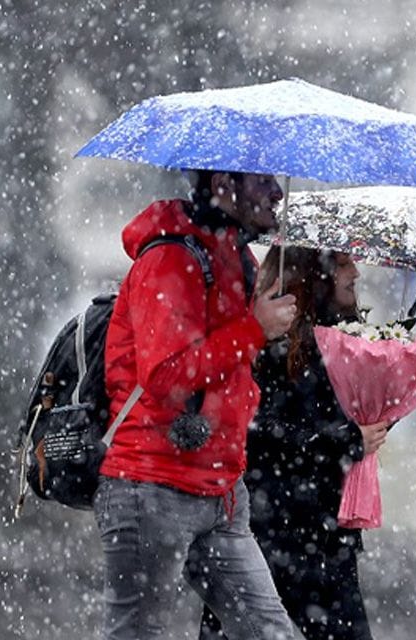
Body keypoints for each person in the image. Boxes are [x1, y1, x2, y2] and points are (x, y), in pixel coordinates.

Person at [97, 170, 299, 639]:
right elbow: (166, 376)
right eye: (261, 180)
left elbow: (230, 367)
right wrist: (254, 329)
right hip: (152, 486)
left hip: (222, 490)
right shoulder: (169, 257)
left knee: (270, 631)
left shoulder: (235, 256)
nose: (276, 192)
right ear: (224, 184)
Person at [201, 246, 390, 640]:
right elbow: (257, 432)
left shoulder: (344, 341)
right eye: (342, 263)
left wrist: (377, 420)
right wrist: (344, 442)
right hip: (269, 530)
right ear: (313, 274)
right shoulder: (268, 343)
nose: (354, 271)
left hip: (321, 532)